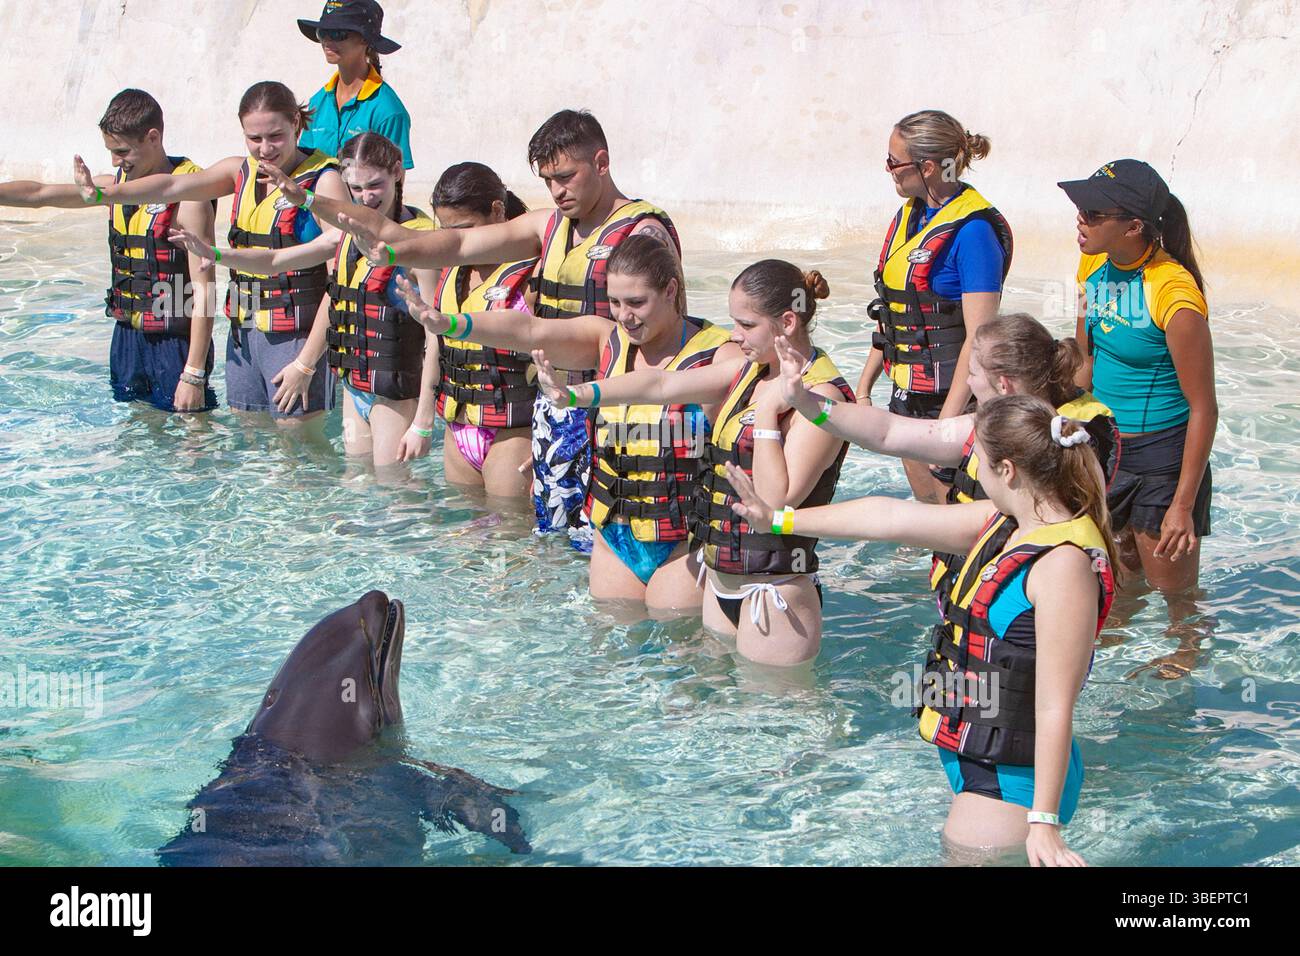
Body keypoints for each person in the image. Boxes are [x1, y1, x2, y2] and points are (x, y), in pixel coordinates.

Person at [728, 394, 1118, 864]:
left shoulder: (1062, 567)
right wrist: (779, 519)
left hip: (1015, 782)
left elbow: (1056, 705)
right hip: (981, 756)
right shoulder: (1011, 524)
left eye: (978, 466)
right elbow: (889, 518)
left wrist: (1043, 823)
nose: (970, 475)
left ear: (1009, 471)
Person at [319, 109, 679, 545]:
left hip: (614, 415)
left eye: (565, 176)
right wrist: (321, 208)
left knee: (601, 546)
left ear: (601, 163)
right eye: (547, 180)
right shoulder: (550, 226)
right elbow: (457, 242)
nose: (556, 191)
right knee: (544, 548)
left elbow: (669, 342)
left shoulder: (644, 232)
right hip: (556, 416)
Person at [526, 260, 854, 665]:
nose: (735, 335)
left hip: (775, 592)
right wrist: (574, 396)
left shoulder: (822, 399)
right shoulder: (748, 373)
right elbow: (660, 384)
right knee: (708, 714)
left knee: (774, 721)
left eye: (746, 325)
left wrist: (768, 414)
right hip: (720, 582)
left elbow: (776, 503)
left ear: (787, 321)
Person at [395, 235, 736, 611]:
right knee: (609, 656)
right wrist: (450, 324)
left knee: (677, 656)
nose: (625, 316)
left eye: (638, 303)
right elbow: (530, 331)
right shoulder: (608, 341)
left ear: (671, 290)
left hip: (685, 543)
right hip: (614, 539)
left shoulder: (719, 354)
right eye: (616, 302)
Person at [781, 313, 1118, 595]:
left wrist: (780, 521)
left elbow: (894, 520)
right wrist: (808, 404)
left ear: (1004, 385)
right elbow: (889, 431)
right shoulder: (1008, 420)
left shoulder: (1062, 441)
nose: (968, 384)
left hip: (1021, 599)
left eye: (972, 373)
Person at [74, 81, 347, 425]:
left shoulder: (324, 182)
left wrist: (306, 364)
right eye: (254, 138)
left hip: (297, 340)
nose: (265, 149)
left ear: (296, 122)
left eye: (275, 136)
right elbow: (172, 185)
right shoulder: (239, 171)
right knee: (250, 446)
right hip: (244, 336)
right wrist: (104, 195)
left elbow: (341, 282)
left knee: (298, 453)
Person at [177, 133, 439, 465]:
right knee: (357, 486)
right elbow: (276, 261)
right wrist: (215, 253)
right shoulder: (347, 233)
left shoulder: (421, 241)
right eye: (356, 189)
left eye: (375, 185)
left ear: (398, 173)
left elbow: (437, 337)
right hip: (355, 386)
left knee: (395, 495)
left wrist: (424, 423)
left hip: (395, 393)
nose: (366, 197)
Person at [1060, 160, 1216, 679]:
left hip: (1163, 454)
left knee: (1173, 587)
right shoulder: (1091, 268)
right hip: (1108, 445)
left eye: (1093, 211)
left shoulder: (1173, 293)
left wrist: (1182, 505)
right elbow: (1085, 365)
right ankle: (1116, 644)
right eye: (1079, 208)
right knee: (1116, 571)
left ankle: (1189, 648)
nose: (1079, 219)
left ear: (1133, 226)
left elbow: (1203, 408)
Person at [0, 89, 217, 413]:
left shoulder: (190, 195)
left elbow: (205, 290)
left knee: (190, 440)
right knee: (135, 434)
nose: (116, 161)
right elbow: (41, 193)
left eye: (122, 151)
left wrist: (194, 374)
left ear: (153, 137)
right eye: (111, 151)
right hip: (128, 337)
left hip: (175, 343)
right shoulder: (113, 187)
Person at [857, 109, 1013, 503]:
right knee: (930, 519)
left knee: (956, 520)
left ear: (927, 167)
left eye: (894, 162)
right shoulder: (910, 216)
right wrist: (863, 390)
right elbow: (896, 313)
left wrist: (946, 428)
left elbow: (979, 339)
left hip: (952, 404)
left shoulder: (973, 233)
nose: (887, 168)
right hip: (908, 397)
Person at [426, 162, 538, 498]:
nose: (458, 240)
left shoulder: (533, 272)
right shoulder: (451, 270)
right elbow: (438, 348)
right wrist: (420, 422)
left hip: (513, 432)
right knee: (464, 543)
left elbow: (565, 359)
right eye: (447, 231)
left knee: (511, 541)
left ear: (497, 210)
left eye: (465, 228)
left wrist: (556, 439)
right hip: (458, 429)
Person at [295, 0, 414, 169]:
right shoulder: (317, 102)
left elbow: (395, 185)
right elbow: (304, 168)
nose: (327, 40)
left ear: (365, 40)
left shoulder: (388, 111)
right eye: (322, 32)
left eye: (338, 33)